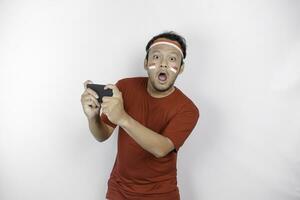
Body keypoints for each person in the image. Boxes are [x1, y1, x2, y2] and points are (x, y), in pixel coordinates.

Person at [80, 31, 200, 200]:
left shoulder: (188, 109)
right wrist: (92, 117)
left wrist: (123, 118)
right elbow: (102, 135)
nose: (164, 64)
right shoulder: (125, 87)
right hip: (119, 190)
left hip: (161, 194)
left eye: (172, 59)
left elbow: (162, 149)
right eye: (156, 57)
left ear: (181, 68)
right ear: (145, 63)